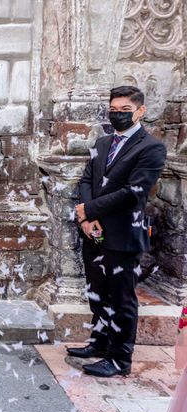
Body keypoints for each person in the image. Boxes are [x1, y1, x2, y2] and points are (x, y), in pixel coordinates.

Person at [70, 85, 167, 378]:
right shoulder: (102, 143)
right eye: (114, 110)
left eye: (125, 110)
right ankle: (99, 342)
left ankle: (119, 358)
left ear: (140, 111)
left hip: (123, 234)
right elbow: (87, 179)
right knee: (97, 291)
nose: (118, 115)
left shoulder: (151, 148)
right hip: (94, 231)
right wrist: (86, 218)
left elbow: (133, 192)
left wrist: (91, 211)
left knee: (122, 298)